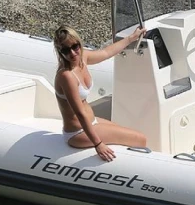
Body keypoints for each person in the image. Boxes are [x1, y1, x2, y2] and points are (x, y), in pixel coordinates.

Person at [53, 25, 148, 162]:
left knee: (129, 133)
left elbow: (106, 53)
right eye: (66, 50)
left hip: (92, 122)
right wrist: (98, 144)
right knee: (140, 139)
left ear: (79, 43)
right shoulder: (66, 76)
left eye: (75, 46)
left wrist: (130, 39)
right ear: (60, 52)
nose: (73, 53)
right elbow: (79, 114)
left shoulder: (82, 58)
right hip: (78, 132)